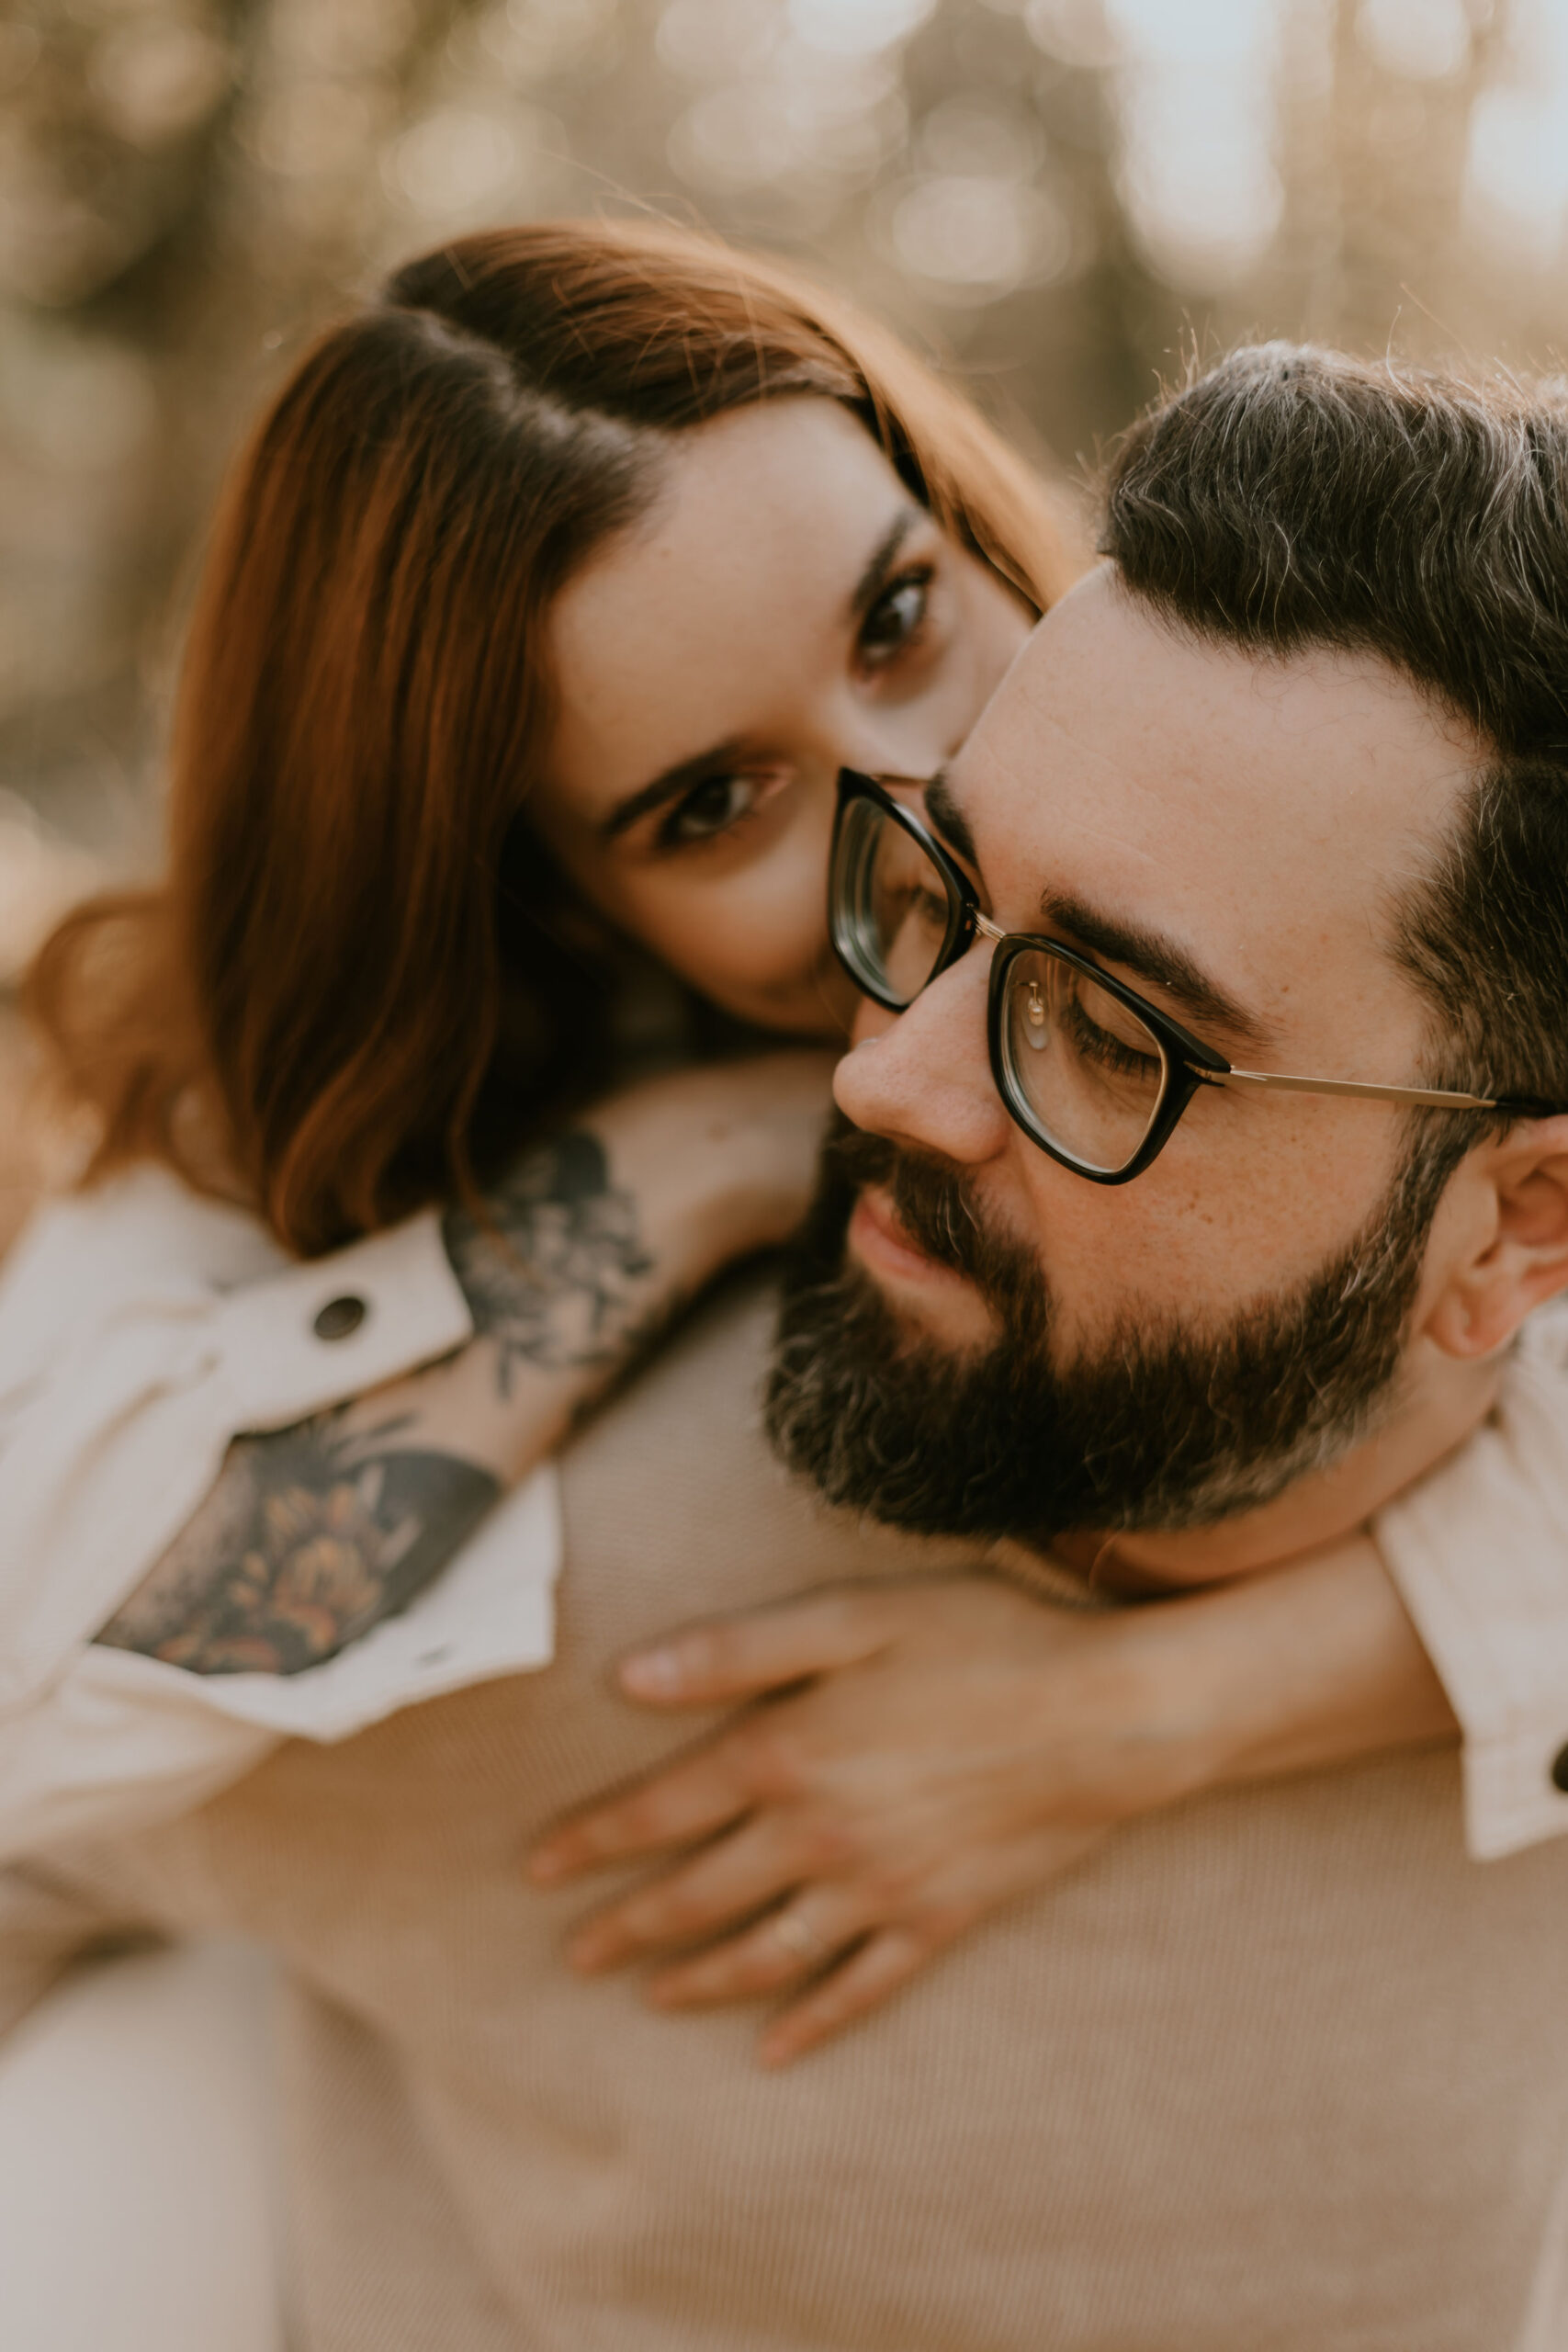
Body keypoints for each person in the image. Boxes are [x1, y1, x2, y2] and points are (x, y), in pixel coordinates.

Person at [21, 339, 1568, 2350]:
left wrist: (1162, 1707)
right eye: (933, 898)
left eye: (1116, 1035)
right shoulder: (543, 1627)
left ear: (1526, 1224)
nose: (878, 1076)